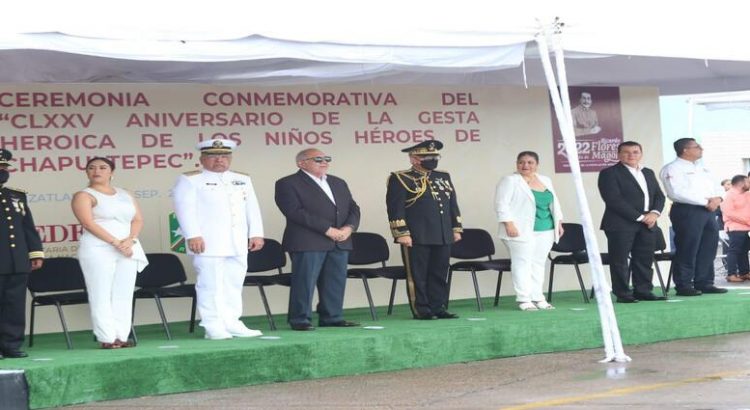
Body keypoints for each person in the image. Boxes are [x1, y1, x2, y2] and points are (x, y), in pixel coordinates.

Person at [173, 139, 265, 339]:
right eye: (213, 156)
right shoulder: (190, 179)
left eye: (224, 156)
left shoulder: (242, 179)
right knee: (210, 284)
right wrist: (192, 235)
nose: (219, 160)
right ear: (202, 159)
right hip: (208, 242)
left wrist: (256, 233)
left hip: (237, 241)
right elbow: (184, 209)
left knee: (233, 283)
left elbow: (252, 207)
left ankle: (232, 322)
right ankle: (212, 325)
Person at [275, 148, 361, 331]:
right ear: (301, 163)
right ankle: (300, 319)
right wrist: (327, 230)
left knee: (335, 280)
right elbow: (294, 212)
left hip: (340, 239)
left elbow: (353, 208)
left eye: (326, 158)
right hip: (308, 240)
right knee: (305, 281)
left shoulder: (338, 182)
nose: (324, 162)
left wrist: (349, 228)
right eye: (318, 159)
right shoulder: (288, 183)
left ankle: (332, 316)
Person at [71, 157, 148, 349]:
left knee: (124, 292)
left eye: (103, 167)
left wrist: (130, 240)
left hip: (128, 247)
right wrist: (115, 242)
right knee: (101, 292)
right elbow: (88, 223)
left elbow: (137, 219)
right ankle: (107, 337)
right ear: (86, 172)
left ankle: (122, 335)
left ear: (112, 172)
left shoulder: (125, 194)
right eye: (92, 168)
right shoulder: (83, 195)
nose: (97, 171)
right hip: (99, 248)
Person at [386, 140, 462, 320]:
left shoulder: (443, 176)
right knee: (418, 275)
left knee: (439, 271)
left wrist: (456, 228)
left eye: (435, 156)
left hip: (443, 234)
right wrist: (401, 233)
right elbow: (395, 208)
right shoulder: (400, 178)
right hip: (416, 235)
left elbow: (452, 204)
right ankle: (422, 309)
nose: (432, 159)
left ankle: (438, 307)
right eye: (426, 156)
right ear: (413, 159)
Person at [598, 141, 666, 303]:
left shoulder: (648, 172)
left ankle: (643, 290)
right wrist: (642, 217)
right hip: (621, 223)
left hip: (649, 221)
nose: (631, 155)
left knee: (644, 258)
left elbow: (659, 196)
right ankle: (623, 293)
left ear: (641, 154)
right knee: (619, 259)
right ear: (618, 154)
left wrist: (654, 214)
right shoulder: (609, 173)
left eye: (635, 152)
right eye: (626, 152)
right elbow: (613, 200)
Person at [495, 151, 563, 311]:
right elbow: (501, 204)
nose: (525, 165)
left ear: (536, 164)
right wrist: (509, 224)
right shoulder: (510, 181)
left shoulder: (545, 180)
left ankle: (538, 297)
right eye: (521, 162)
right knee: (522, 262)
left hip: (546, 228)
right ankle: (524, 299)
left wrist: (559, 222)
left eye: (530, 162)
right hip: (519, 230)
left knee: (538, 263)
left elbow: (555, 203)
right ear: (517, 164)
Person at [659, 138, 727, 296]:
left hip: (709, 211)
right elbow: (676, 192)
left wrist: (718, 199)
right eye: (696, 147)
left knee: (708, 247)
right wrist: (706, 202)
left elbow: (717, 186)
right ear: (685, 150)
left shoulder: (703, 168)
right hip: (687, 210)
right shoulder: (672, 168)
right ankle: (684, 284)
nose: (701, 148)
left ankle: (704, 282)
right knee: (687, 247)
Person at [0, 149, 43, 359]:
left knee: (14, 304)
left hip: (17, 261)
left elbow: (28, 227)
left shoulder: (16, 195)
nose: (3, 171)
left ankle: (11, 345)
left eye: (4, 167)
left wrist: (35, 253)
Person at [720, 175, 750, 283]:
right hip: (735, 228)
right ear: (741, 183)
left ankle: (744, 272)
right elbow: (729, 213)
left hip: (746, 227)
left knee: (744, 250)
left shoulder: (747, 194)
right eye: (747, 181)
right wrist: (746, 220)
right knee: (734, 251)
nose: (749, 183)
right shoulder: (729, 195)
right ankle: (731, 274)